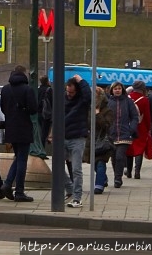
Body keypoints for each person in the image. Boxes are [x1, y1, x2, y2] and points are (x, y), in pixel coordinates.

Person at [0, 65, 38, 202]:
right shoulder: (27, 89)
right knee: (22, 159)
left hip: (10, 127)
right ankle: (19, 191)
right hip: (23, 128)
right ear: (24, 75)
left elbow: (3, 108)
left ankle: (7, 184)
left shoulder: (5, 89)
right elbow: (34, 109)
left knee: (18, 157)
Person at [53, 73, 90, 208]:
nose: (69, 94)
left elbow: (88, 96)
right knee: (56, 166)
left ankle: (77, 197)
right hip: (62, 136)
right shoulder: (62, 99)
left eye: (72, 92)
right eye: (67, 91)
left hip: (77, 138)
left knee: (76, 169)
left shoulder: (82, 100)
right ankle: (69, 188)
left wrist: (82, 81)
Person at [105, 80, 138, 188]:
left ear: (122, 90)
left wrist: (132, 128)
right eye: (115, 89)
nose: (117, 90)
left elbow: (134, 116)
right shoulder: (108, 102)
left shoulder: (128, 101)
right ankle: (116, 175)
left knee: (120, 156)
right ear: (112, 90)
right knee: (114, 157)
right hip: (112, 133)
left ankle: (118, 179)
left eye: (119, 88)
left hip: (124, 133)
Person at [126, 79, 152, 179]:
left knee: (128, 149)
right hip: (141, 127)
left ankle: (128, 172)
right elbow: (147, 115)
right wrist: (148, 127)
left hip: (128, 126)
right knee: (139, 149)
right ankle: (137, 172)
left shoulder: (127, 98)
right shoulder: (144, 99)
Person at [93, 85, 114, 194]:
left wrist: (98, 114)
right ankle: (103, 178)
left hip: (103, 141)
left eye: (96, 96)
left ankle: (99, 185)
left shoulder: (107, 110)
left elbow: (106, 125)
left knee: (100, 163)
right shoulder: (89, 109)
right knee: (94, 164)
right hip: (91, 141)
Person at [37, 76, 54, 148]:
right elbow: (52, 102)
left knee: (40, 131)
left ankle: (40, 147)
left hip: (38, 113)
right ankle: (42, 149)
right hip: (46, 114)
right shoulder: (49, 90)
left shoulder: (38, 89)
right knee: (44, 132)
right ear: (47, 81)